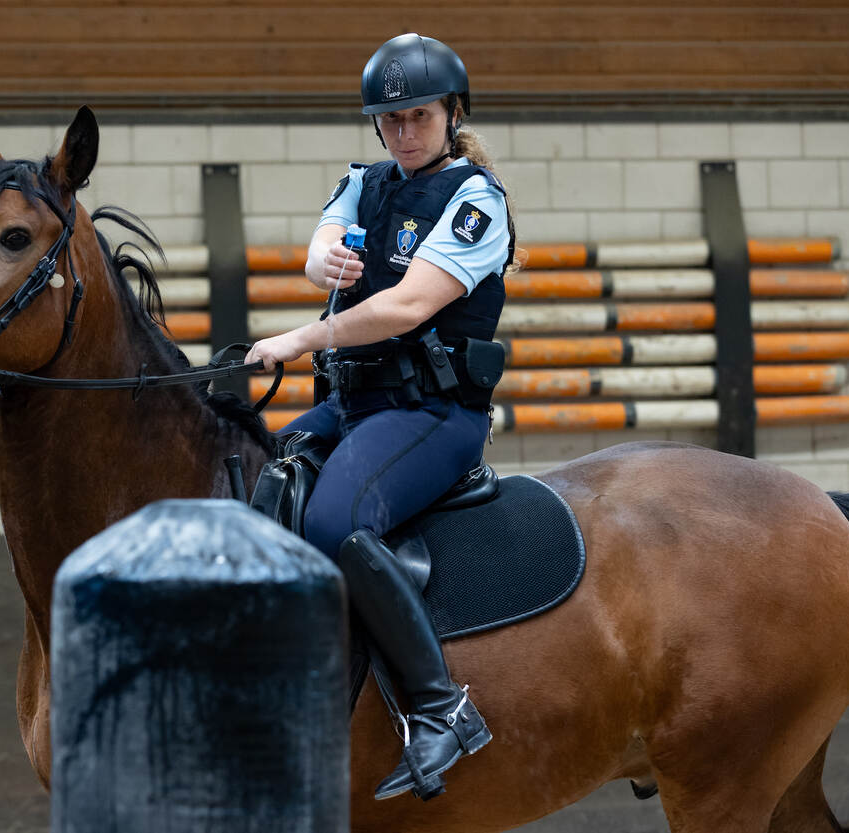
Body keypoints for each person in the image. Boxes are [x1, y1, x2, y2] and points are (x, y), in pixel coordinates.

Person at [245, 33, 519, 801]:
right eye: (390, 119)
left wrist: (301, 337)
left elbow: (407, 305)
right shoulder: (364, 182)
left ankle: (441, 707)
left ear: (450, 113)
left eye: (419, 116)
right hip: (353, 403)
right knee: (260, 482)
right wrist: (322, 258)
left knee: (337, 521)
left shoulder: (475, 200)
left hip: (433, 411)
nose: (404, 132)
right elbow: (322, 241)